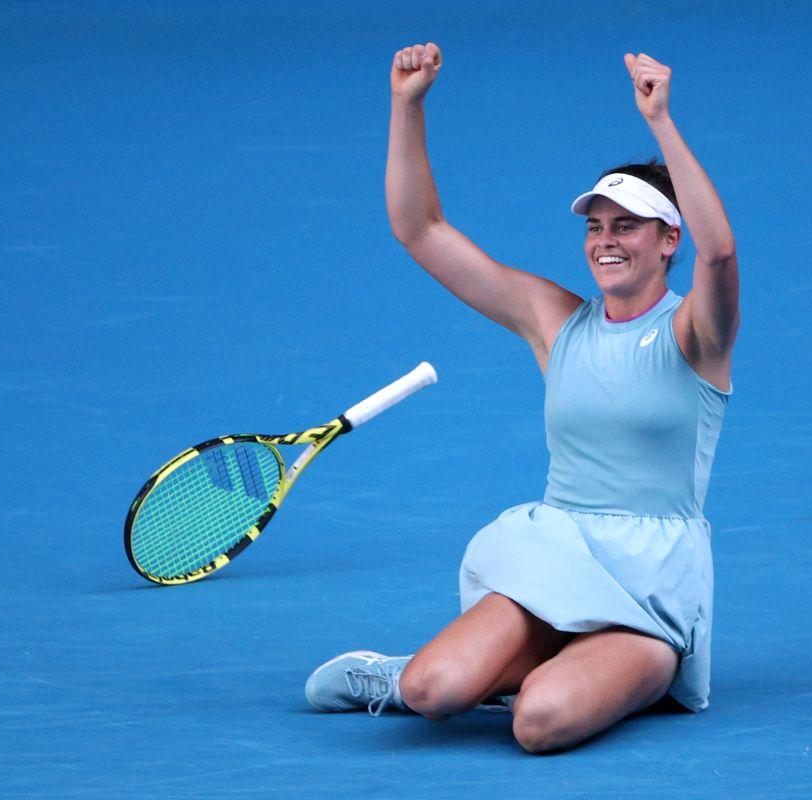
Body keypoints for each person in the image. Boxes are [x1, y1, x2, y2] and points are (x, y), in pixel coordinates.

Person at [305, 42, 739, 753]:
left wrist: (660, 120)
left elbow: (720, 255)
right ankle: (440, 671)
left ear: (669, 240)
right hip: (555, 559)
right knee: (428, 691)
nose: (604, 241)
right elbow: (421, 230)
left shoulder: (698, 334)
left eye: (626, 226)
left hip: (649, 596)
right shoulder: (554, 320)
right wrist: (405, 106)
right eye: (595, 226)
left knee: (540, 724)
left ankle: (587, 671)